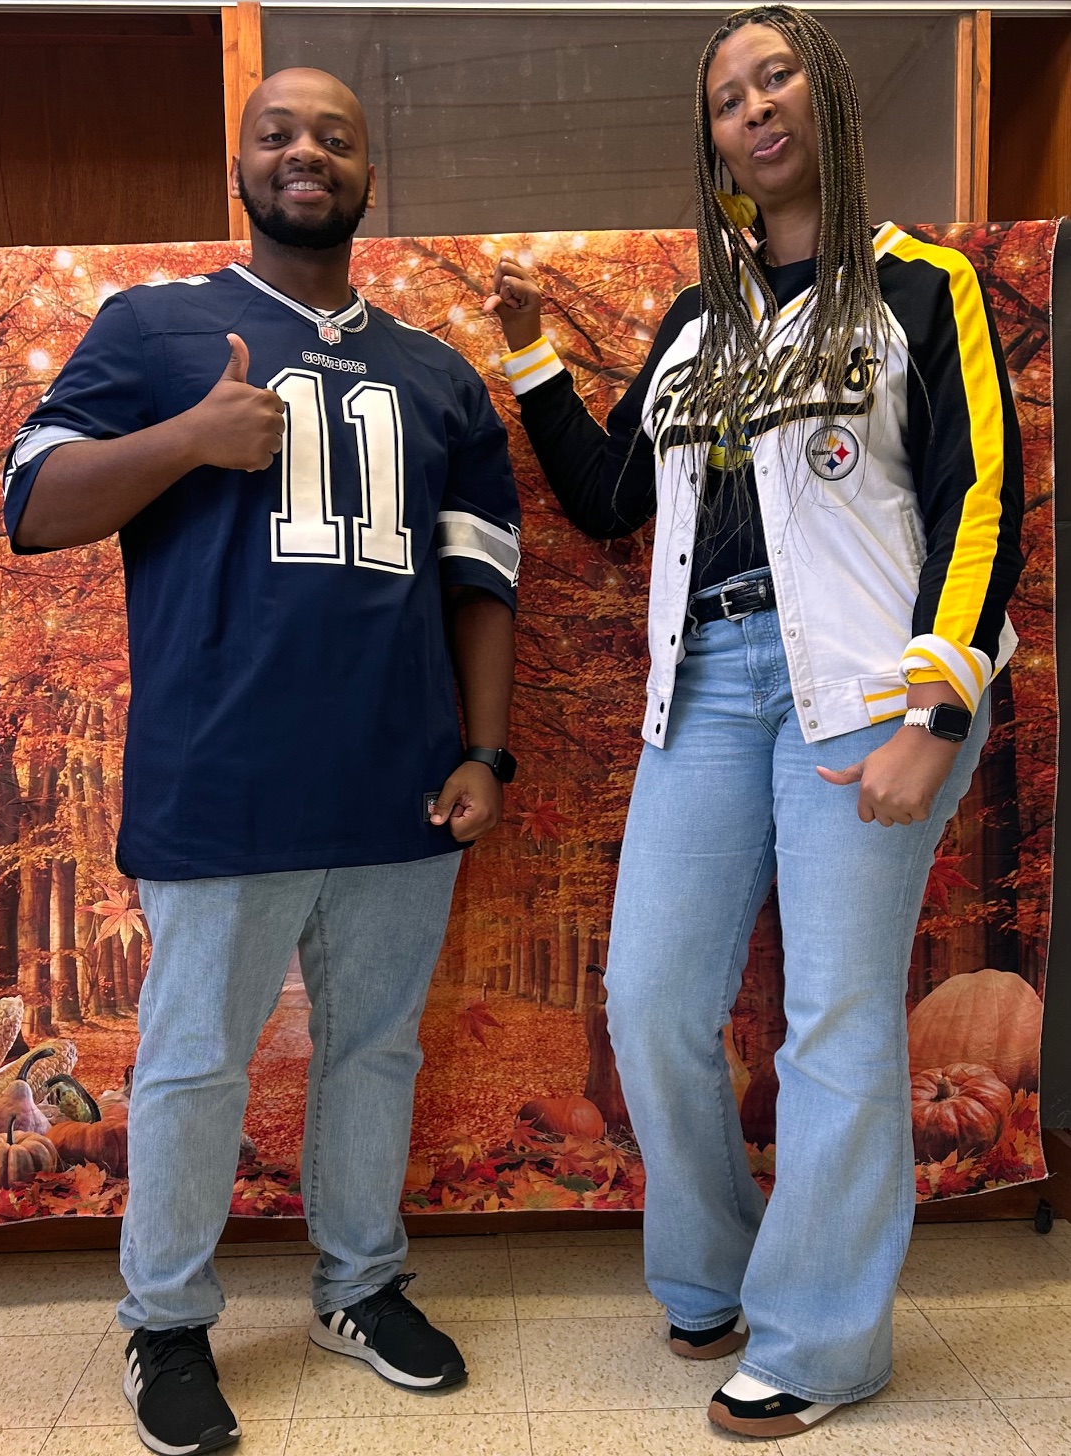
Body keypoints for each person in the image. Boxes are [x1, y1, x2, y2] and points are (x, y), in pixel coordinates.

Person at [485, 4, 1022, 1440]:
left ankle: (823, 1340)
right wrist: (537, 362)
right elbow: (610, 504)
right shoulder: (689, 324)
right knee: (650, 1001)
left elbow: (977, 498)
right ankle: (712, 1274)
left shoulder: (922, 286)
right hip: (704, 691)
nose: (752, 104)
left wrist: (937, 705)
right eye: (726, 95)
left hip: (858, 691)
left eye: (775, 73)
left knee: (834, 1019)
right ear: (714, 142)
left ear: (825, 103)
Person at [3, 68, 520, 1456]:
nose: (307, 152)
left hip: (400, 784)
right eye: (279, 132)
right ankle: (165, 1324)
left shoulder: (441, 374)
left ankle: (359, 1287)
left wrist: (484, 749)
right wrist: (185, 441)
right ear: (241, 160)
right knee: (190, 1067)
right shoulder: (153, 328)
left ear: (365, 172)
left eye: (334, 137)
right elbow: (29, 505)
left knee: (373, 1055)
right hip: (219, 783)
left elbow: (480, 583)